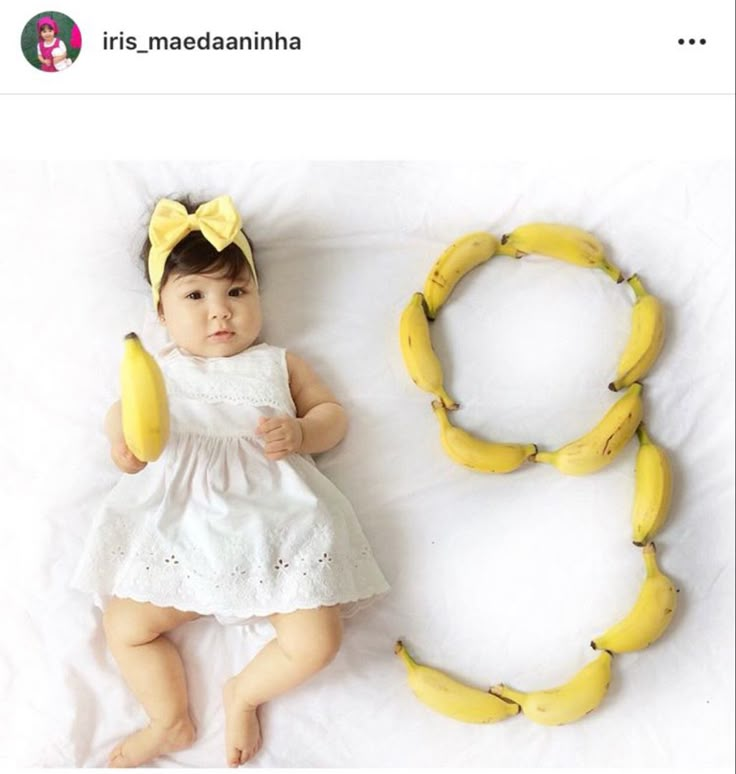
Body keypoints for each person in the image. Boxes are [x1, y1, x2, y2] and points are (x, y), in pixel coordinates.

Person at [71, 195, 390, 768]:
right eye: (195, 295)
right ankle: (168, 719)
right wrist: (125, 449)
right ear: (162, 313)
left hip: (276, 526)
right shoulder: (158, 371)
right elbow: (121, 415)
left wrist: (302, 431)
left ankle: (243, 691)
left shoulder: (279, 363)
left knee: (318, 642)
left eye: (237, 293)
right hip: (180, 529)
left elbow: (332, 414)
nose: (220, 312)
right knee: (125, 627)